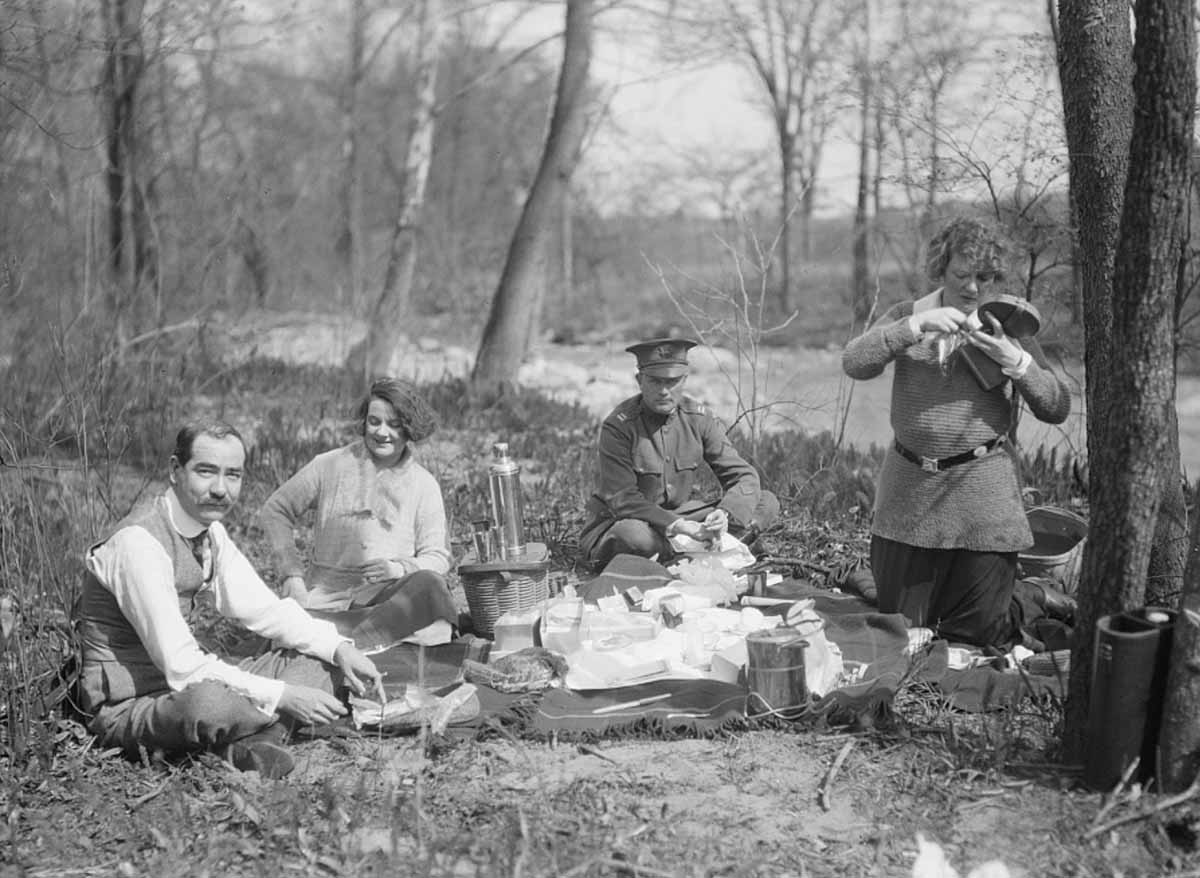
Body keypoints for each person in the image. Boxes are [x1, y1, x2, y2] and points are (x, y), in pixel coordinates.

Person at [75, 419, 385, 779]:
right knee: (210, 702)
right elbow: (183, 667)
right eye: (206, 472)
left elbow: (267, 611)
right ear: (176, 470)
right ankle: (266, 732)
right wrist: (285, 696)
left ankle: (250, 745)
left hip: (184, 685)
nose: (221, 489)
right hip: (134, 703)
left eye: (233, 475)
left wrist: (339, 649)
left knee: (321, 657)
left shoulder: (210, 533)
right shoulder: (139, 542)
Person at [841, 216, 1073, 649]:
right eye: (961, 275)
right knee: (901, 634)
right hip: (910, 496)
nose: (971, 288)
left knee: (977, 637)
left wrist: (1016, 361)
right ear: (941, 271)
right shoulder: (909, 316)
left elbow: (1056, 407)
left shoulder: (1010, 327)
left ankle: (1029, 596)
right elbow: (855, 363)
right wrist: (913, 328)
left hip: (983, 495)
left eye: (984, 277)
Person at [258, 377, 457, 647]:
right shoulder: (329, 465)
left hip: (387, 600)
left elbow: (438, 558)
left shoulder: (424, 484)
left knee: (431, 585)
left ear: (410, 429)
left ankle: (340, 640)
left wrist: (398, 569)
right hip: (327, 599)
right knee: (296, 624)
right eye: (374, 421)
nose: (381, 432)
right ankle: (359, 639)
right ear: (364, 421)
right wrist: (291, 574)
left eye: (394, 424)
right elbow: (275, 510)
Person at [579, 337, 780, 570]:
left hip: (682, 518)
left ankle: (706, 545)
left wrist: (724, 515)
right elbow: (623, 500)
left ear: (685, 380)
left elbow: (744, 476)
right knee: (634, 536)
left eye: (672, 382)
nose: (664, 391)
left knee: (766, 501)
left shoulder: (699, 418)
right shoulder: (619, 426)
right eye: (655, 381)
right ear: (639, 380)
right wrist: (679, 526)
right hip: (629, 520)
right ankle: (703, 553)